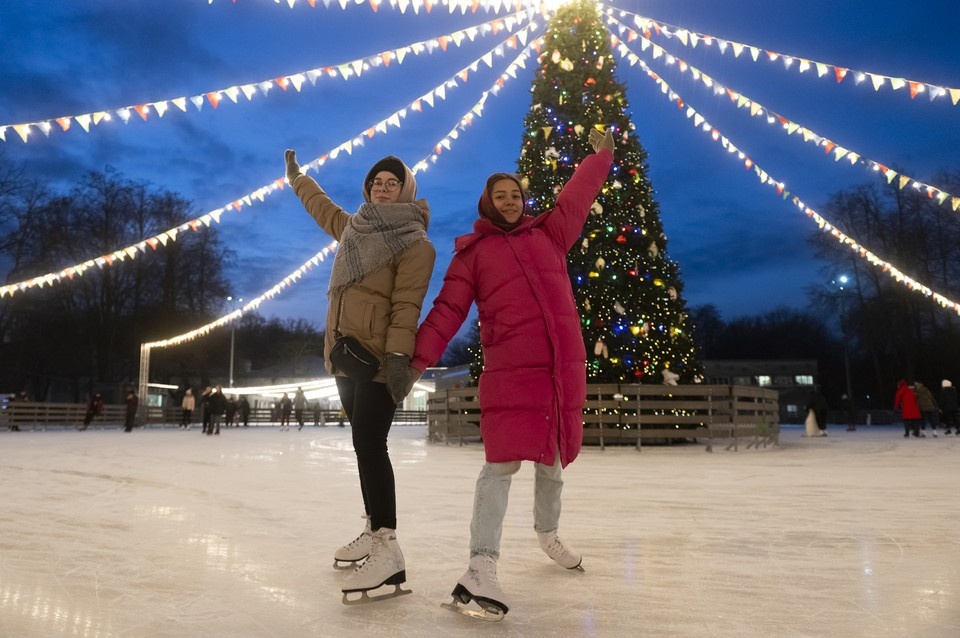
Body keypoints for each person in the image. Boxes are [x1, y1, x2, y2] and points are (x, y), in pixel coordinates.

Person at [408, 127, 616, 619]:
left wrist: (600, 157)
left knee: (555, 461)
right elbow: (446, 312)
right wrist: (416, 360)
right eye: (500, 196)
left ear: (525, 199)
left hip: (560, 372)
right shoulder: (473, 254)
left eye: (515, 194)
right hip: (511, 375)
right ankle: (481, 563)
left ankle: (548, 534)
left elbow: (576, 199)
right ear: (487, 202)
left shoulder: (549, 234)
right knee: (500, 466)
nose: (509, 201)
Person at [285, 148, 435, 603]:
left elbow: (407, 306)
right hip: (344, 356)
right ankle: (373, 532)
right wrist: (297, 178)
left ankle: (388, 548)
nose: (382, 188)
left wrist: (396, 360)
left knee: (371, 446)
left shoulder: (415, 242)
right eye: (376, 183)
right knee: (362, 446)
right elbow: (321, 207)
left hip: (378, 360)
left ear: (405, 189)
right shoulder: (355, 228)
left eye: (391, 182)